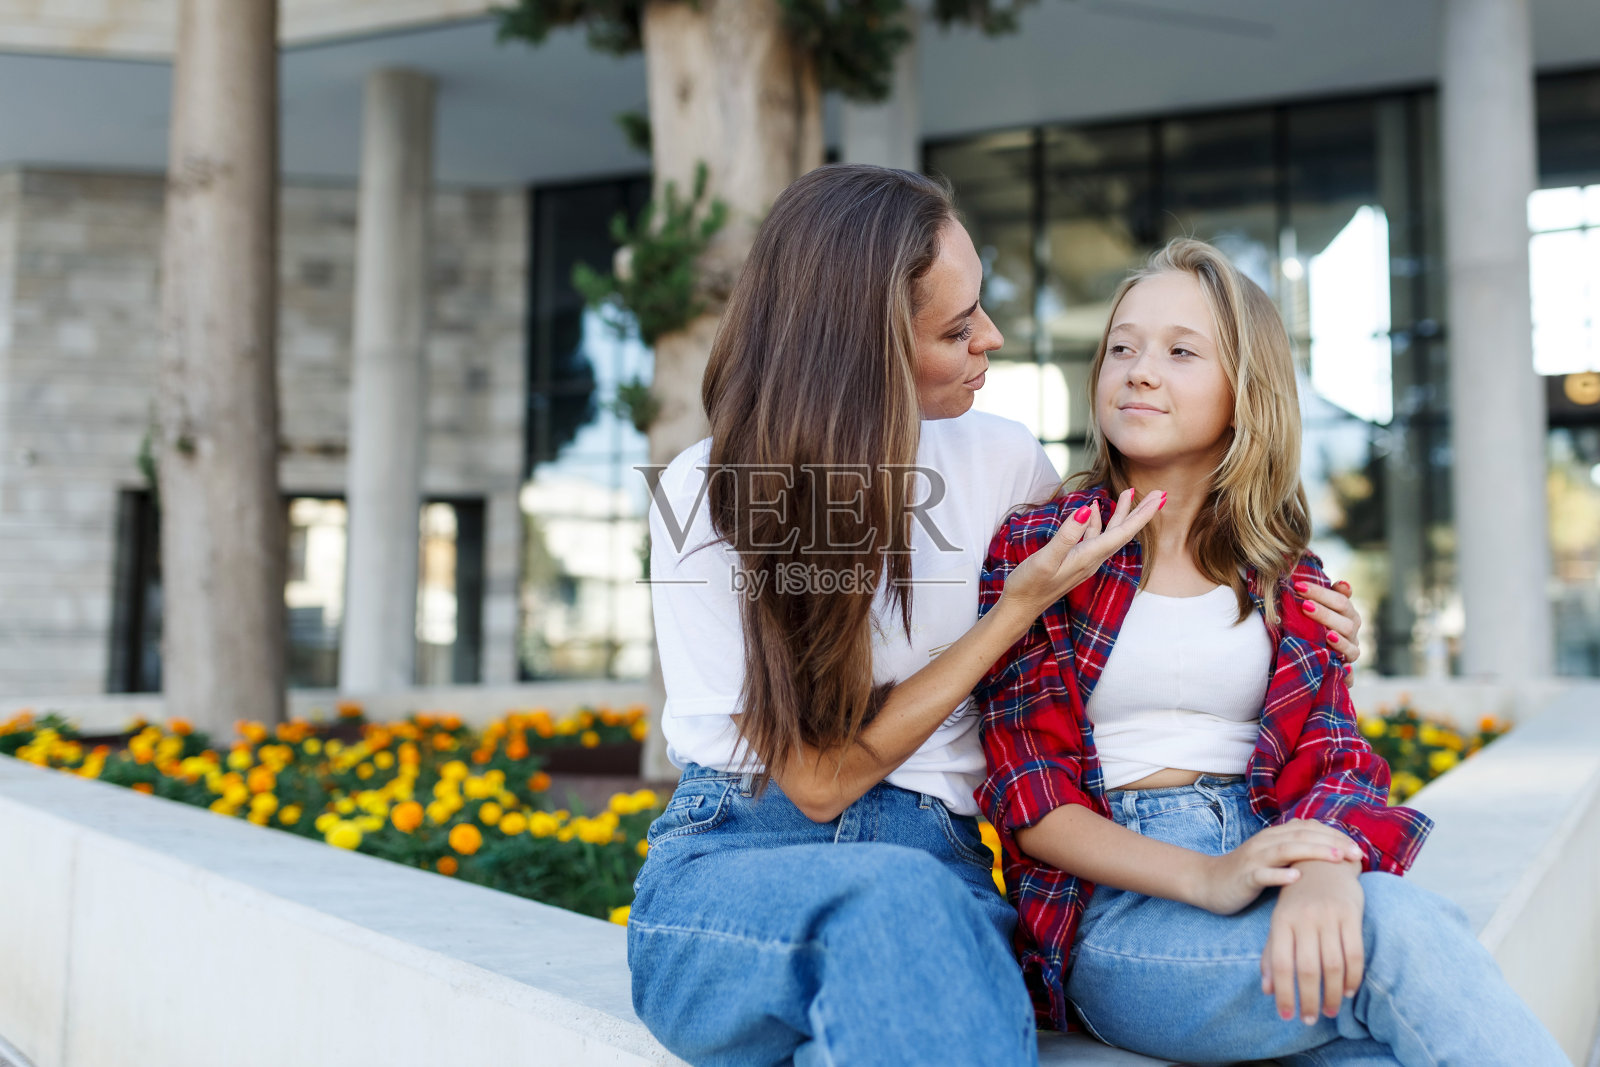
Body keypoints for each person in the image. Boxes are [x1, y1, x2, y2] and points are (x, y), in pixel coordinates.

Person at [629, 165, 1364, 1067]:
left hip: (939, 865)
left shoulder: (1005, 462)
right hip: (741, 865)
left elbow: (1123, 638)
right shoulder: (711, 493)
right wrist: (1009, 613)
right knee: (901, 913)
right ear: (870, 344)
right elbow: (818, 783)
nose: (993, 336)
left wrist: (1302, 632)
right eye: (956, 325)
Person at [974, 238, 1569, 1065]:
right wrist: (1213, 877)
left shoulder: (1285, 573)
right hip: (1124, 914)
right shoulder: (1044, 547)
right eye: (1122, 346)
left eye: (1181, 351)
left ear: (1242, 393)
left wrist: (1324, 866)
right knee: (1396, 931)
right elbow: (1031, 801)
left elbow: (1335, 753)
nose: (1139, 370)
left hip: (1274, 860)